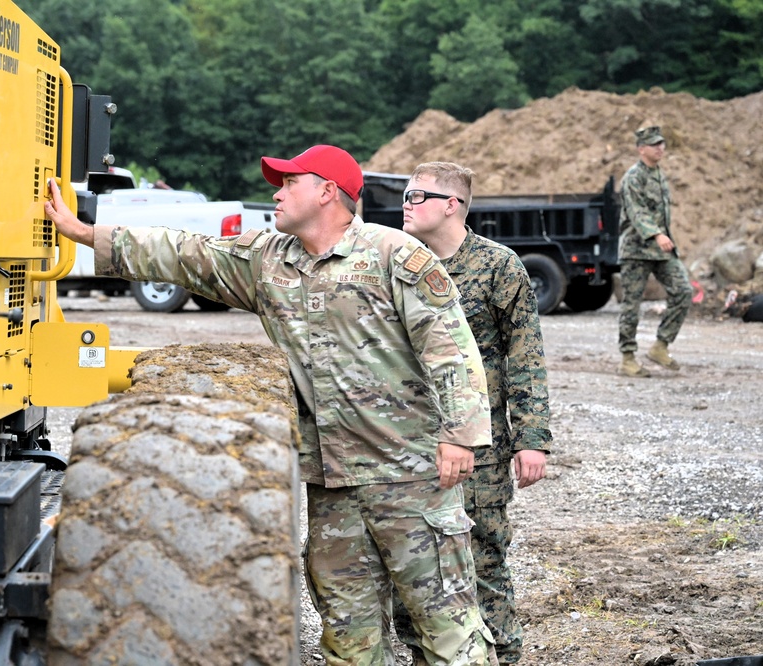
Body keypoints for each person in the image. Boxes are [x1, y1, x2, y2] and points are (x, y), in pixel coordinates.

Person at [44, 144, 497, 665]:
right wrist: (86, 236)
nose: (276, 194)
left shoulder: (396, 255)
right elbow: (187, 252)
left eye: (288, 183)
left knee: (447, 628)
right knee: (349, 635)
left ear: (328, 192)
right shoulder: (269, 259)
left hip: (411, 475)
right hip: (332, 485)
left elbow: (451, 349)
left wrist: (459, 436)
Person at [387, 162, 551, 665]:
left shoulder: (498, 266)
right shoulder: (396, 263)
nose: (406, 204)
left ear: (452, 204)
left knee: (483, 558)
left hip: (481, 446)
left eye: (418, 196)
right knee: (412, 564)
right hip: (409, 442)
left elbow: (524, 354)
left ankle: (501, 655)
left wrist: (532, 439)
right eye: (406, 195)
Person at [617, 125, 693, 377]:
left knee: (683, 291)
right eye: (654, 144)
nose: (661, 148)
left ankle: (660, 346)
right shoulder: (633, 177)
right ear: (641, 149)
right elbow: (637, 212)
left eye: (662, 143)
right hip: (636, 251)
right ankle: (627, 358)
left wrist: (664, 237)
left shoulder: (659, 174)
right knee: (632, 305)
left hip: (661, 250)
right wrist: (657, 234)